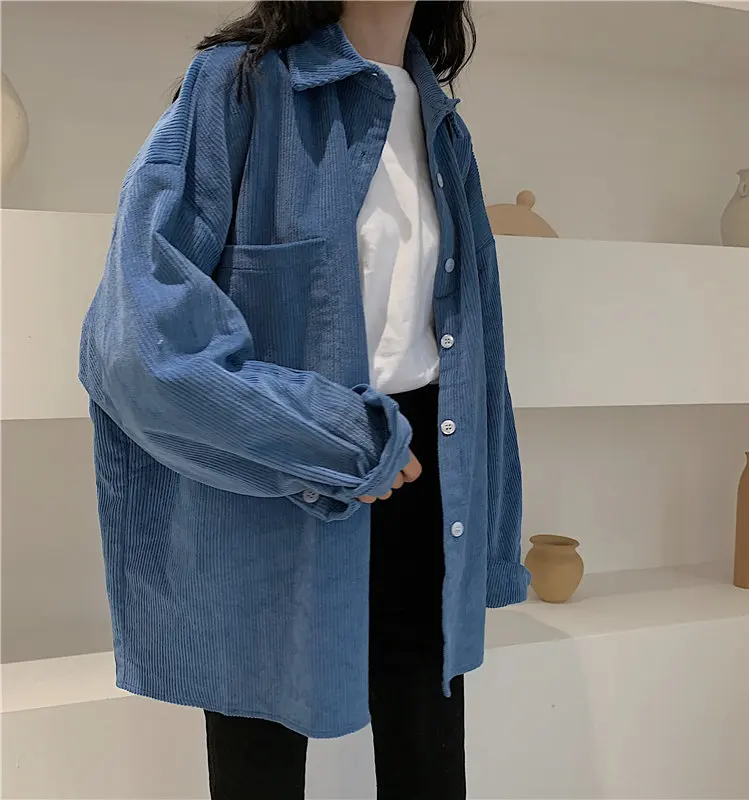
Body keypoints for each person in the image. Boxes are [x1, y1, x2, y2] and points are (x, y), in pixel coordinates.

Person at [79, 1, 528, 797]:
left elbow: (478, 356)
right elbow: (139, 343)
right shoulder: (237, 88)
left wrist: (491, 543)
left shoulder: (443, 124)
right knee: (260, 769)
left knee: (429, 762)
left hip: (430, 478)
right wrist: (340, 439)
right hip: (279, 479)